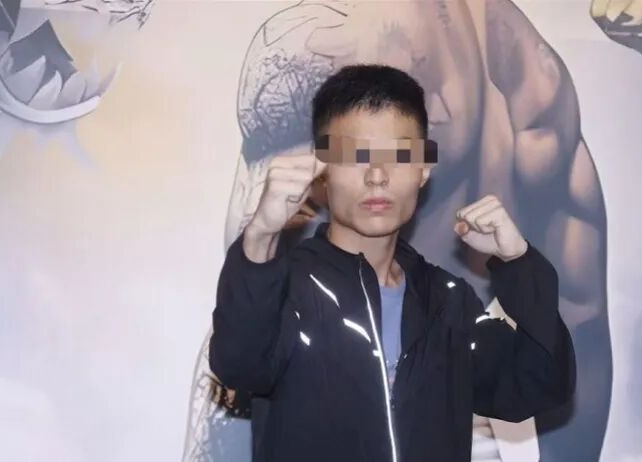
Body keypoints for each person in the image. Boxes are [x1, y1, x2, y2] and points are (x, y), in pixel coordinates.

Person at [208, 64, 576, 462]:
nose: (377, 176)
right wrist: (261, 235)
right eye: (355, 155)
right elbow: (239, 364)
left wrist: (518, 262)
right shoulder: (287, 287)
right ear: (322, 169)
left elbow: (539, 383)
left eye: (400, 155)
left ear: (423, 169)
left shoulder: (447, 302)